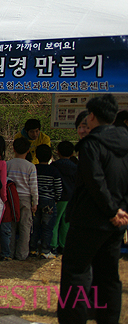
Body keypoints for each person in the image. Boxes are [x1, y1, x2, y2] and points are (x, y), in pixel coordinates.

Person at [58, 94, 128, 324]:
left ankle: (73, 319)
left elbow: (95, 180)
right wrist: (120, 210)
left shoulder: (91, 144)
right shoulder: (125, 142)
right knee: (109, 276)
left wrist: (111, 210)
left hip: (89, 220)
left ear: (93, 116)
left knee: (75, 273)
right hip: (116, 223)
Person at [7, 137, 38, 260]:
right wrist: (35, 202)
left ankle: (9, 252)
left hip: (10, 198)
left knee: (11, 226)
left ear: (13, 149)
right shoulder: (30, 166)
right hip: (25, 199)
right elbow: (33, 187)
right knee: (25, 227)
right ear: (28, 150)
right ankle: (22, 254)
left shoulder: (8, 164)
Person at [29, 145, 62, 259]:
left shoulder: (34, 168)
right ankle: (45, 250)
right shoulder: (54, 170)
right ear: (50, 156)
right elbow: (58, 188)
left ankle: (32, 249)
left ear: (36, 156)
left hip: (35, 201)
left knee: (34, 226)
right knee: (47, 227)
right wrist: (56, 199)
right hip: (49, 202)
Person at [50, 141, 77, 255]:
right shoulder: (75, 167)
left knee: (54, 222)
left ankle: (53, 245)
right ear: (72, 154)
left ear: (58, 152)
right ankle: (64, 245)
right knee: (66, 222)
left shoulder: (54, 166)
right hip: (71, 198)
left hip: (58, 198)